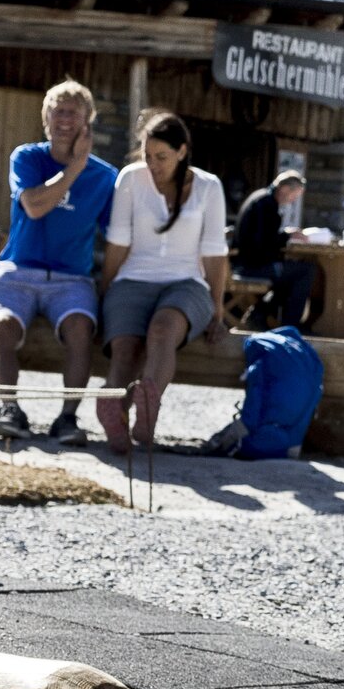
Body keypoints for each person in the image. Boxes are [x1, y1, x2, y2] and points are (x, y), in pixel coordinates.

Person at [0, 80, 119, 445]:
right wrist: (75, 167)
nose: (64, 119)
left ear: (88, 122)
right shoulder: (26, 157)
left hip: (71, 277)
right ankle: (9, 409)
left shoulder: (106, 177)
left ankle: (68, 419)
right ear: (45, 118)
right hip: (18, 269)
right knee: (3, 328)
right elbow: (35, 205)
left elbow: (118, 236)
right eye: (57, 110)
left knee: (79, 329)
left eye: (73, 112)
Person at [96, 111, 230, 455]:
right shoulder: (130, 178)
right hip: (133, 278)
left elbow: (215, 254)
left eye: (162, 157)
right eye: (147, 156)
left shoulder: (208, 186)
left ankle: (146, 400)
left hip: (187, 282)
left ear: (182, 152)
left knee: (162, 328)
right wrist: (104, 293)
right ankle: (114, 409)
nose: (153, 165)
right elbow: (118, 243)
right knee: (125, 346)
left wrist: (217, 310)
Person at [232, 170, 316, 329]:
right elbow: (263, 242)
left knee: (292, 270)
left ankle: (261, 312)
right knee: (306, 271)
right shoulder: (266, 205)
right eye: (294, 196)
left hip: (246, 263)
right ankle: (289, 326)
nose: (293, 201)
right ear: (284, 189)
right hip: (251, 267)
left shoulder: (262, 198)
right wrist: (287, 236)